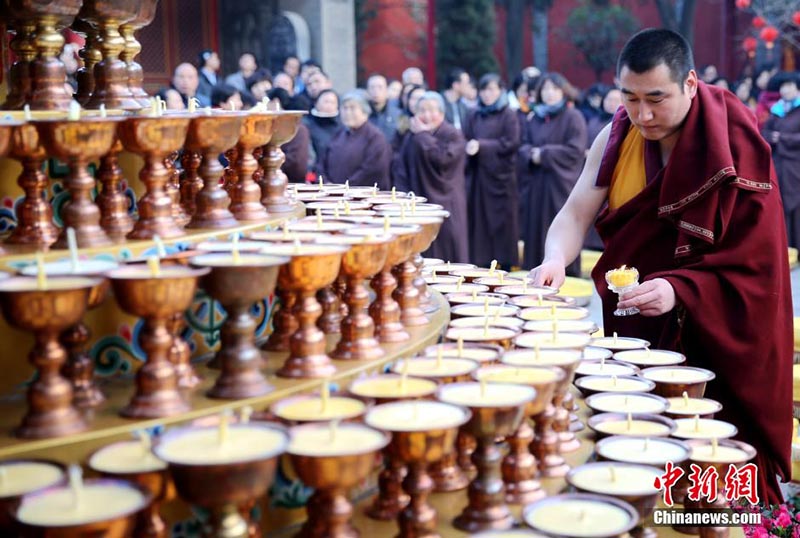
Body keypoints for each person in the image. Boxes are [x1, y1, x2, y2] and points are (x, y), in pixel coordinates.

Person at [530, 28, 791, 504]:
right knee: (642, 447)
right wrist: (553, 259)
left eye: (656, 98)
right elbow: (573, 214)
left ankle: (720, 524)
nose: (642, 114)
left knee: (712, 472)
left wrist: (680, 290)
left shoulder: (735, 144)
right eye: (629, 98)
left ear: (690, 84)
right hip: (635, 325)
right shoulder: (616, 137)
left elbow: (757, 267)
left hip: (719, 337)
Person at [518, 72, 587, 272]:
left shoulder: (573, 117)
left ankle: (564, 272)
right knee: (535, 228)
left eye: (554, 89)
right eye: (545, 89)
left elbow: (575, 150)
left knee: (560, 226)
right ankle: (535, 273)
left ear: (563, 91)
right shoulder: (535, 118)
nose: (549, 93)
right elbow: (522, 145)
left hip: (560, 185)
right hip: (536, 185)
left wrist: (544, 154)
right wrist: (531, 154)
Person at [392, 92, 469, 262]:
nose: (426, 116)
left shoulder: (453, 135)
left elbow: (442, 160)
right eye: (422, 111)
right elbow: (401, 169)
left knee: (449, 253)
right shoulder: (411, 137)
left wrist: (423, 136)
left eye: (432, 110)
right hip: (419, 201)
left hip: (447, 202)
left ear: (441, 113)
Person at [464, 73, 521, 269]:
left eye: (492, 90)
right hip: (480, 177)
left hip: (502, 178)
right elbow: (465, 137)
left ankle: (504, 262)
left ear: (500, 91)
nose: (487, 94)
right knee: (479, 221)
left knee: (503, 222)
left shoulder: (508, 115)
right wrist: (469, 147)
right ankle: (480, 261)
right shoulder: (474, 114)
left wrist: (483, 146)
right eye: (484, 90)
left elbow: (511, 143)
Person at [319, 91, 392, 188]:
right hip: (333, 193)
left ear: (364, 112)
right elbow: (321, 163)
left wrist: (347, 187)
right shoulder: (338, 134)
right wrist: (326, 183)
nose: (347, 113)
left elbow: (372, 170)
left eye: (352, 108)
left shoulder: (375, 137)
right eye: (345, 108)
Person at [763, 72, 800, 248]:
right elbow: (765, 133)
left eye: (789, 86)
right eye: (782, 86)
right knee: (780, 203)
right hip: (778, 164)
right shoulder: (777, 110)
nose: (785, 90)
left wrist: (783, 138)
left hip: (796, 164)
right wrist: (772, 137)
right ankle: (784, 247)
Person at [267, 88, 311, 183]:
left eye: (267, 103)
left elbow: (297, 162)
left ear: (275, 102)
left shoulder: (298, 128)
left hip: (290, 181)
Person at [305, 89, 341, 175]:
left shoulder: (343, 126)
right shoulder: (307, 125)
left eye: (332, 102)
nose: (329, 105)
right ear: (316, 103)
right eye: (326, 101)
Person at [366, 74, 402, 142]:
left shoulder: (399, 115)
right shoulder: (361, 115)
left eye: (380, 87)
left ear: (387, 90)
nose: (376, 91)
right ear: (367, 91)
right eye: (372, 87)